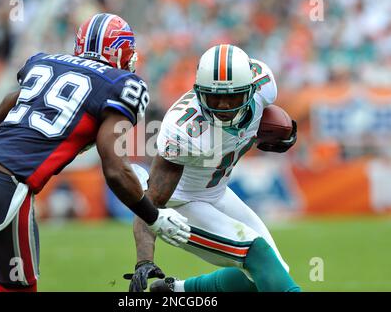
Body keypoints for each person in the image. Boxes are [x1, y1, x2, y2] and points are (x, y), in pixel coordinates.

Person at [0, 13, 190, 292]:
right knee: (19, 287)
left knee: (2, 254)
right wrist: (154, 217)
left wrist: (2, 157)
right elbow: (114, 169)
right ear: (120, 52)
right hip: (7, 182)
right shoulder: (121, 84)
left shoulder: (47, 62)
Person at [124, 44, 300, 292]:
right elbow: (151, 201)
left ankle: (176, 292)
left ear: (251, 91)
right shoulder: (184, 128)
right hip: (181, 203)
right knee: (258, 254)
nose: (224, 106)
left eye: (233, 97)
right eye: (215, 96)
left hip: (216, 192)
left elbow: (265, 119)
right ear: (199, 93)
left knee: (271, 271)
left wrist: (281, 133)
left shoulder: (264, 84)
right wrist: (144, 259)